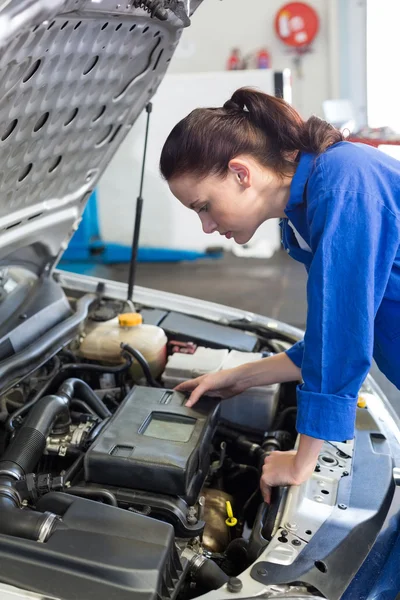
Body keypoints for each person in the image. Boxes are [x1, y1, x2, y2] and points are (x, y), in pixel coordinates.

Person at [159, 87, 400, 503]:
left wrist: (302, 460)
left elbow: (342, 332)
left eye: (204, 206)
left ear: (241, 173)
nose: (207, 227)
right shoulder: (299, 219)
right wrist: (238, 378)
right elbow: (332, 332)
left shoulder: (344, 182)